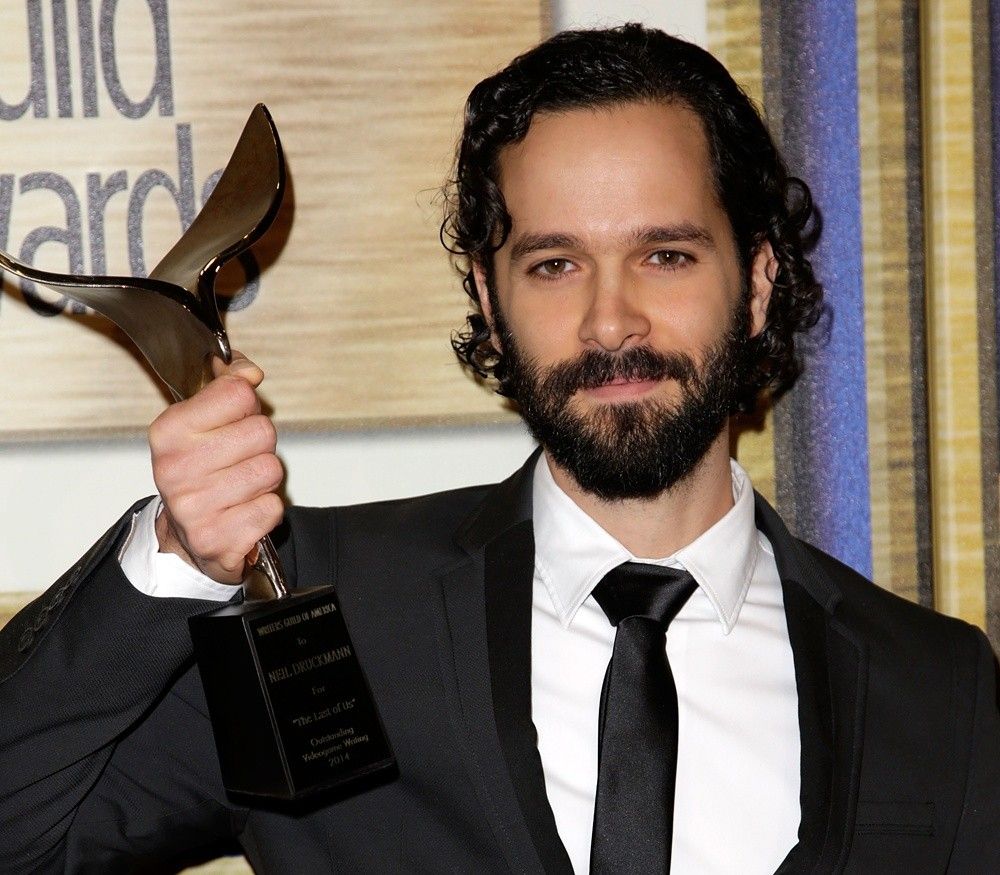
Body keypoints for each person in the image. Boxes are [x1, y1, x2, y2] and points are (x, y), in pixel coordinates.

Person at [2, 23, 998, 875]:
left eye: (665, 255)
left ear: (757, 283)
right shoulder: (317, 608)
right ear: (490, 294)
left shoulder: (932, 686)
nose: (611, 320)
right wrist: (174, 560)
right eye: (555, 264)